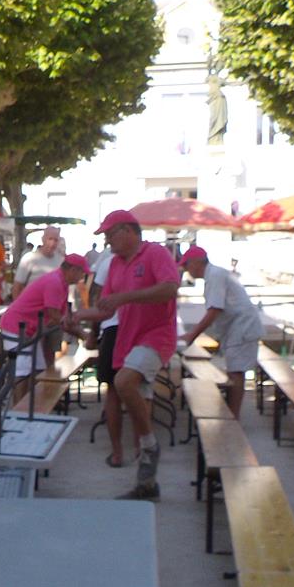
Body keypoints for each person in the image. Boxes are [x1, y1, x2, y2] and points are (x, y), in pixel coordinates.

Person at [91, 209, 180, 500]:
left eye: (109, 234)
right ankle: (147, 483)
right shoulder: (115, 264)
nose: (107, 241)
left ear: (128, 231)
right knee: (138, 397)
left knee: (124, 383)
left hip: (156, 336)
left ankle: (150, 444)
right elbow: (107, 306)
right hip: (128, 339)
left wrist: (125, 297)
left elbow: (169, 289)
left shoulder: (156, 254)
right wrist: (76, 317)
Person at [179, 246, 263, 417]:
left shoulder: (215, 276)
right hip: (237, 329)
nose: (187, 270)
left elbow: (214, 310)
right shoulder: (215, 275)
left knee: (236, 372)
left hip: (242, 328)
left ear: (196, 263)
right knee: (234, 371)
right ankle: (232, 415)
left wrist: (192, 335)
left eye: (187, 265)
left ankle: (233, 418)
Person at [0, 254, 89, 398]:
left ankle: (31, 407)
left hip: (29, 329)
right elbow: (55, 316)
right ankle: (19, 412)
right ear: (73, 270)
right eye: (81, 272)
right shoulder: (54, 282)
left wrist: (77, 328)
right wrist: (83, 335)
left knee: (38, 369)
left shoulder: (60, 282)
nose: (82, 277)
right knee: (22, 372)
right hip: (16, 327)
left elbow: (62, 317)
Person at [86, 247, 132, 468]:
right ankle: (142, 451)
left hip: (114, 328)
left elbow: (98, 300)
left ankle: (117, 452)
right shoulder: (149, 259)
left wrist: (93, 334)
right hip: (138, 330)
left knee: (113, 390)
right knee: (142, 390)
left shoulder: (108, 263)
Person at [11, 226, 66, 300]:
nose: (52, 243)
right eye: (50, 239)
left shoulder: (61, 260)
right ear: (43, 239)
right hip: (32, 305)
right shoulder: (29, 258)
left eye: (55, 240)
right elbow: (17, 286)